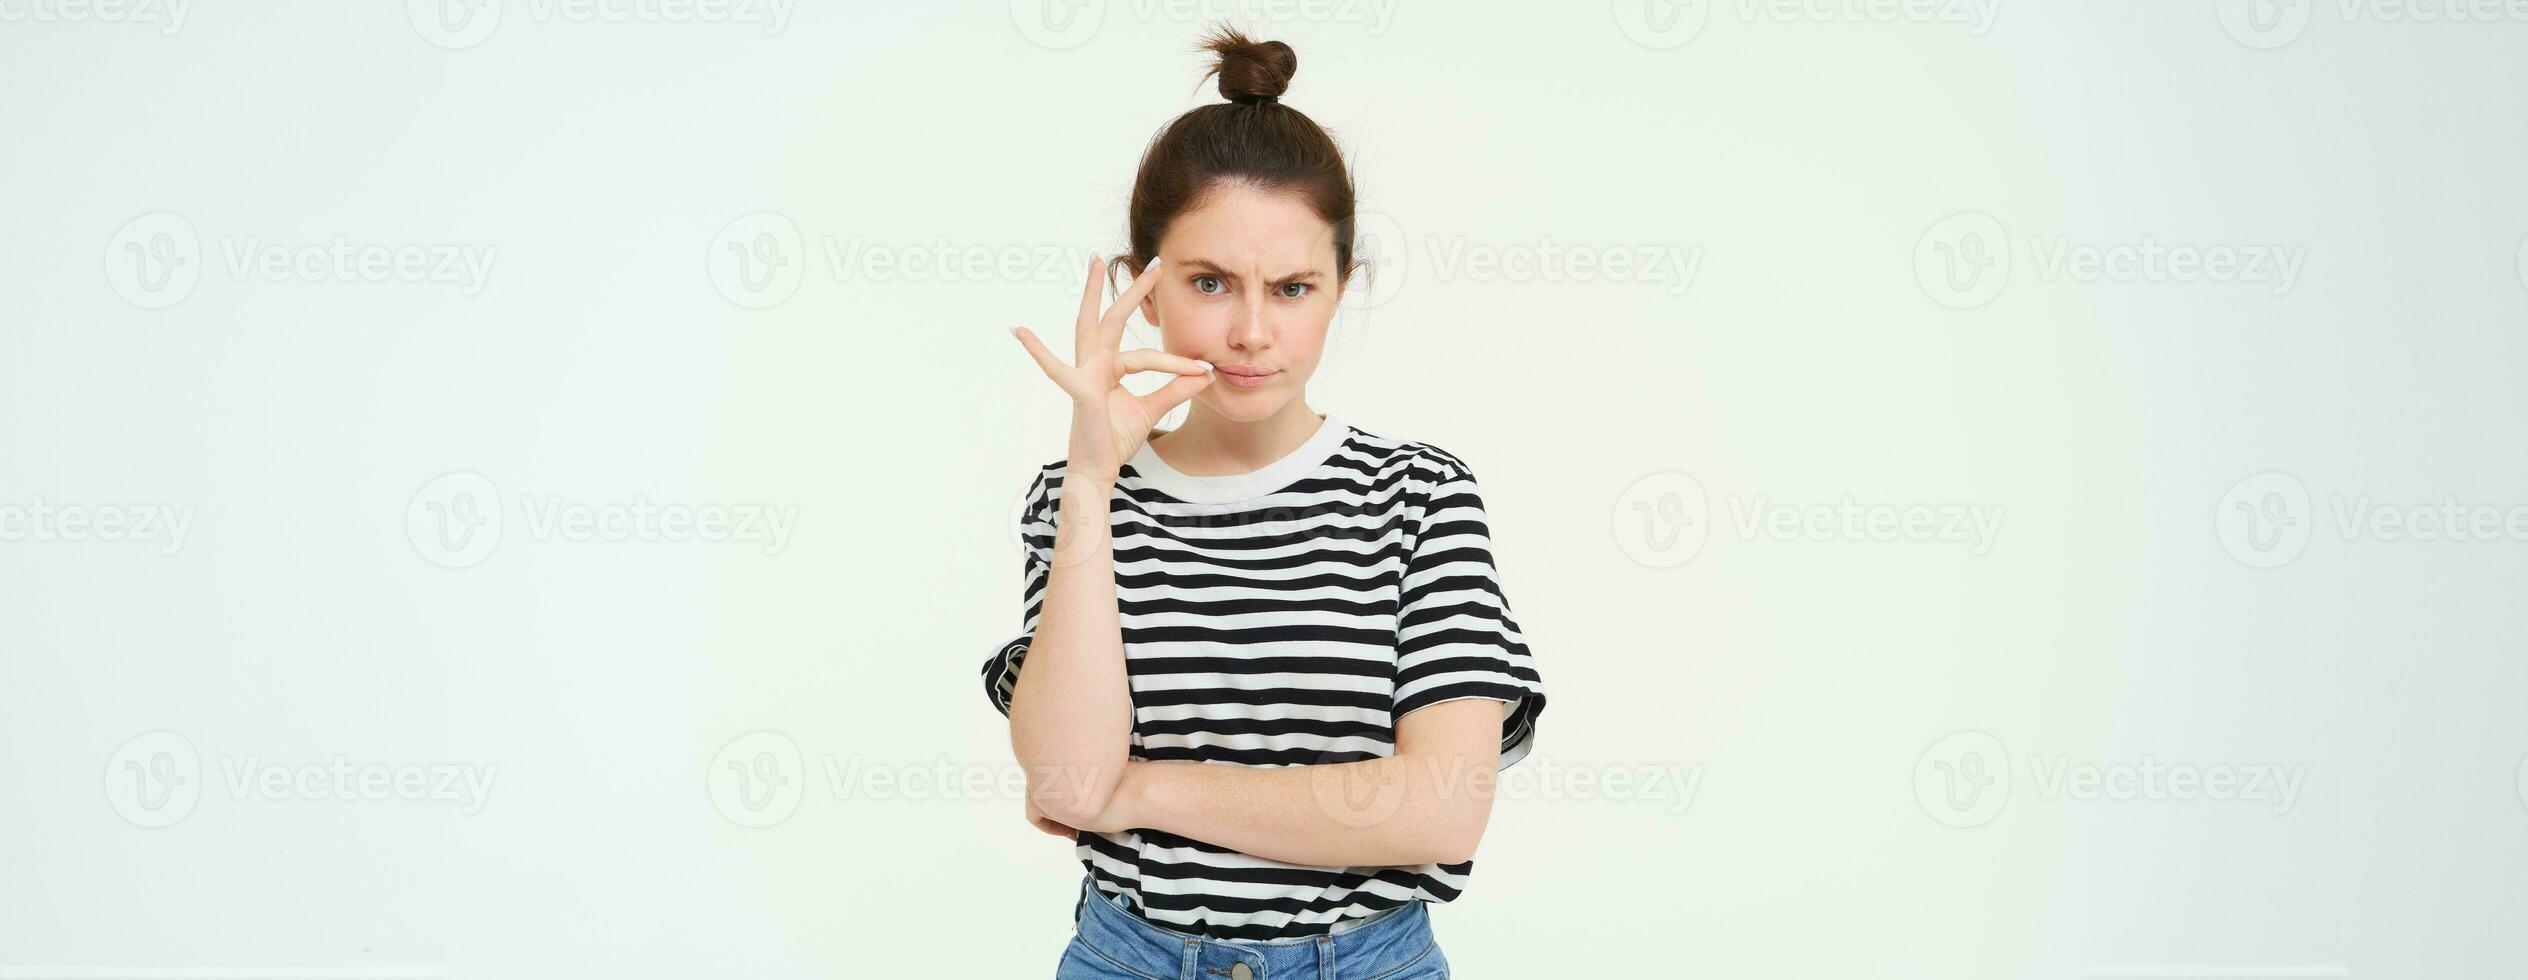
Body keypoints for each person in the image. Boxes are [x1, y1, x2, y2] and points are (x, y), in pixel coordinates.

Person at [988, 25, 1546, 979]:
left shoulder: (1416, 497)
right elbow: (1071, 777)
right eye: (1210, 283)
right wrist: (1090, 481)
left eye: (1292, 288)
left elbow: (1446, 806)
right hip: (1128, 960)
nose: (1252, 332)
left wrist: (1142, 792)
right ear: (1143, 291)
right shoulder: (1071, 499)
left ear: (1340, 289)